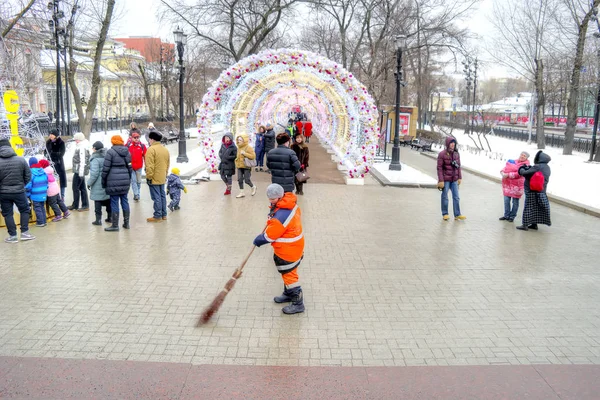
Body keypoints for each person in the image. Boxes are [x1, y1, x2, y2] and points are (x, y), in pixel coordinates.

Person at [253, 184, 305, 314]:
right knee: (288, 273)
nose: (270, 201)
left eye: (272, 199)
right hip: (294, 246)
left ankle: (298, 303)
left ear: (279, 197)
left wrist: (259, 239)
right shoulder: (290, 203)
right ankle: (288, 293)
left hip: (288, 250)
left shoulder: (281, 216)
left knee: (290, 276)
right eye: (269, 198)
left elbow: (269, 236)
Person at [0, 138, 34, 243]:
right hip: (19, 191)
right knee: (24, 210)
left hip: (3, 193)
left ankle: (13, 236)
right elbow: (28, 176)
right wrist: (21, 185)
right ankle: (24, 233)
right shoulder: (21, 160)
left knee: (7, 214)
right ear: (10, 146)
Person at [102, 135, 132, 231]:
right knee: (125, 200)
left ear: (113, 142)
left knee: (114, 202)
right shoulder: (127, 152)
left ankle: (115, 225)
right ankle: (126, 223)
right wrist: (128, 179)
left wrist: (104, 181)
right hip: (125, 179)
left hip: (113, 180)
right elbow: (130, 167)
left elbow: (105, 169)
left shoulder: (110, 152)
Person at [517, 150, 552, 231]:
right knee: (535, 207)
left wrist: (521, 169)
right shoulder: (547, 167)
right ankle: (534, 224)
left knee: (529, 207)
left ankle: (525, 225)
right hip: (541, 190)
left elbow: (525, 173)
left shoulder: (537, 166)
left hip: (531, 190)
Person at [437, 136, 465, 221]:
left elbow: (458, 167)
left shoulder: (456, 154)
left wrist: (459, 177)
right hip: (445, 179)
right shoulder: (442, 154)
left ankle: (457, 214)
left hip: (454, 179)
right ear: (447, 144)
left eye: (454, 143)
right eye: (451, 143)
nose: (453, 144)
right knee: (445, 196)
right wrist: (441, 180)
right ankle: (445, 213)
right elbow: (439, 168)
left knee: (456, 197)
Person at [145, 130, 170, 222]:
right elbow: (167, 164)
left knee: (156, 197)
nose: (149, 141)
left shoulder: (151, 150)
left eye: (150, 139)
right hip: (162, 176)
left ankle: (157, 215)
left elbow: (149, 166)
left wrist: (149, 177)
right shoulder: (165, 149)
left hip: (154, 177)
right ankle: (164, 214)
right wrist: (165, 174)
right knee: (162, 195)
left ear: (152, 139)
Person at [499, 151, 530, 222]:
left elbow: (519, 174)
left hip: (517, 187)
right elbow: (506, 168)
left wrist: (508, 174)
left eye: (524, 156)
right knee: (506, 200)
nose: (522, 156)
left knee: (515, 202)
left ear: (526, 158)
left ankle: (512, 216)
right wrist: (502, 172)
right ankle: (506, 215)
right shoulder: (513, 161)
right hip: (507, 185)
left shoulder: (526, 165)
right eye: (521, 154)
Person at [88, 141, 111, 226]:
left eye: (93, 147)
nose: (92, 149)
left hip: (98, 183)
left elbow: (94, 174)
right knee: (108, 200)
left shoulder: (95, 159)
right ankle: (110, 217)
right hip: (107, 182)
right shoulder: (107, 156)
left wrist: (89, 183)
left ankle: (98, 220)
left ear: (95, 149)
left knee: (97, 201)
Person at [68, 132, 90, 211]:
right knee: (82, 188)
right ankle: (85, 205)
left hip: (79, 171)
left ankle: (76, 204)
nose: (75, 141)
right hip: (80, 171)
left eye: (76, 139)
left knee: (75, 188)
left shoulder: (81, 147)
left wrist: (81, 173)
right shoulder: (82, 146)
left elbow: (83, 161)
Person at [25, 157, 49, 227]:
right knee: (42, 207)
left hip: (35, 194)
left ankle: (40, 222)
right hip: (43, 193)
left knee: (37, 208)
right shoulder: (42, 170)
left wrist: (26, 190)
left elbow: (29, 184)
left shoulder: (31, 172)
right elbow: (46, 181)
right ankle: (44, 221)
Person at [46, 128, 67, 199]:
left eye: (52, 134)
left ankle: (62, 197)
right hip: (50, 165)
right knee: (52, 182)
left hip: (59, 164)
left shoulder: (61, 142)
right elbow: (46, 152)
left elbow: (61, 153)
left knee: (61, 181)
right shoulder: (48, 142)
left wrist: (52, 154)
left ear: (55, 135)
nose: (50, 136)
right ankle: (54, 197)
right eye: (50, 134)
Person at [234, 134, 257, 198]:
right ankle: (242, 192)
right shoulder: (238, 147)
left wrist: (245, 153)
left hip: (246, 166)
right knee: (239, 179)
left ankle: (253, 187)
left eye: (240, 140)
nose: (239, 141)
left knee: (247, 180)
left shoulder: (248, 147)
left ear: (244, 140)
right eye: (238, 140)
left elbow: (253, 156)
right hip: (239, 166)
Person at [126, 132, 146, 201]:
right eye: (135, 137)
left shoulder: (142, 146)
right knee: (133, 181)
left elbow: (145, 156)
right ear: (132, 138)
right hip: (131, 166)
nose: (136, 139)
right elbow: (124, 153)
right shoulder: (128, 145)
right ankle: (136, 194)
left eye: (138, 137)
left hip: (139, 167)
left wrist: (146, 165)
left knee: (138, 181)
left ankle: (137, 194)